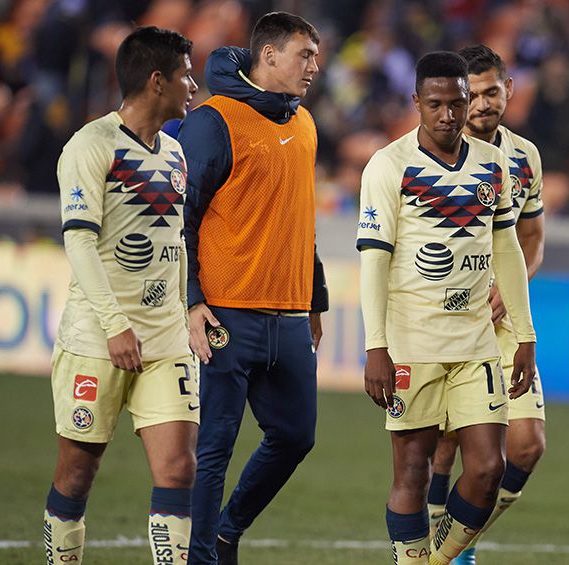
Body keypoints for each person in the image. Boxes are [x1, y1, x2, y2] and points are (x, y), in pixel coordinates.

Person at [358, 51, 537, 565]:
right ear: (416, 102)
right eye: (435, 104)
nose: (448, 115)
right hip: (413, 341)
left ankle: (435, 560)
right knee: (412, 471)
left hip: (477, 340)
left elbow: (508, 249)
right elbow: (374, 262)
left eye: (457, 103)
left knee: (487, 469)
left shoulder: (494, 164)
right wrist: (376, 347)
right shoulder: (388, 166)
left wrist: (525, 335)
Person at [177, 12, 328, 565]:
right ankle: (202, 559)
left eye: (315, 55)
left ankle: (225, 531)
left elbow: (300, 220)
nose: (314, 65)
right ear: (267, 56)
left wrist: (315, 297)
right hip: (226, 316)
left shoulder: (306, 124)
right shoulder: (214, 120)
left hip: (288, 315)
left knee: (295, 436)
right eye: (303, 54)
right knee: (213, 448)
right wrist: (192, 300)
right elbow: (181, 219)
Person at [44, 26, 199, 565]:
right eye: (184, 74)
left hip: (165, 339)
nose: (193, 84)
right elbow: (80, 243)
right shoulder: (91, 146)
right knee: (77, 474)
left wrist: (189, 312)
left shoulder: (176, 154)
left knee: (179, 469)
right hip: (98, 338)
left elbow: (175, 243)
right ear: (157, 81)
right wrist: (114, 325)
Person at [425, 44, 546, 565]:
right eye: (469, 95)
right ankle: (452, 554)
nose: (479, 104)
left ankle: (452, 545)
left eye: (490, 91)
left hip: (502, 323)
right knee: (447, 446)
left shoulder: (524, 157)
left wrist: (511, 289)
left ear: (509, 90)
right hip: (443, 318)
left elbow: (532, 237)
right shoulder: (429, 155)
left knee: (525, 446)